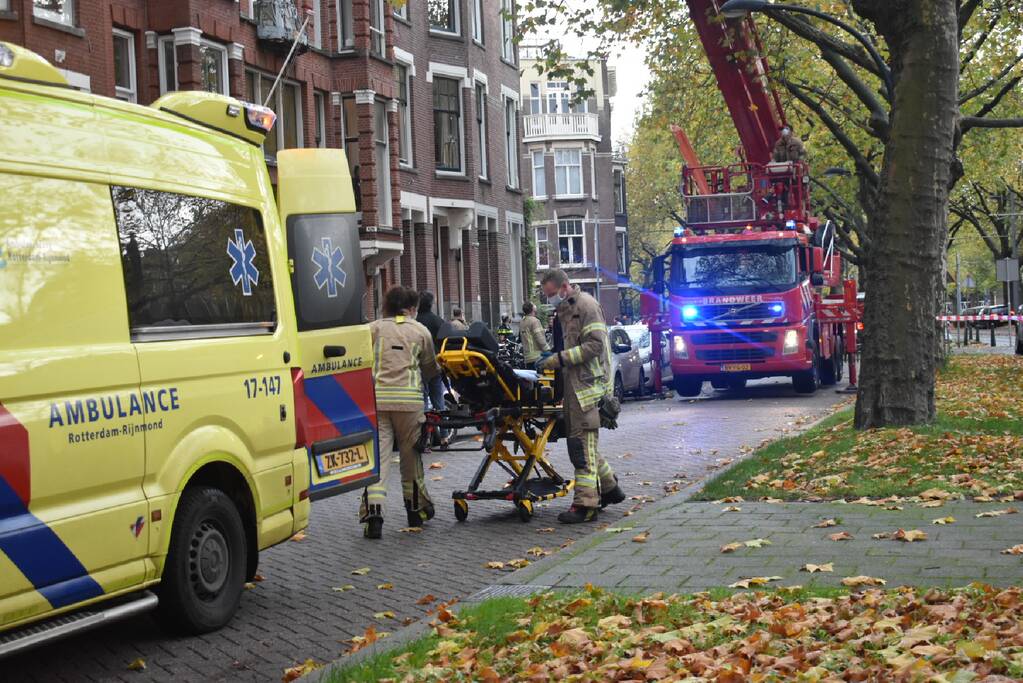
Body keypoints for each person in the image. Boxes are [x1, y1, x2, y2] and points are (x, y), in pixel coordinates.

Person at [536, 269, 626, 523]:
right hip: (576, 388)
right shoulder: (565, 311)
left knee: (580, 448)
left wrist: (558, 359)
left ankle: (585, 505)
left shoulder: (586, 306)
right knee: (587, 446)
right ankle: (609, 488)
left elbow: (595, 345)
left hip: (587, 389)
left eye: (552, 294)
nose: (549, 299)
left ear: (565, 287)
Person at [361, 286, 441, 538]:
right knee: (410, 459)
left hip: (378, 402)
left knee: (379, 461)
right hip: (409, 404)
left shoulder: (373, 329)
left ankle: (374, 515)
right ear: (411, 308)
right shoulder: (420, 331)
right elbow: (430, 369)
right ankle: (414, 512)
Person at [416, 291, 450, 448]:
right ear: (432, 304)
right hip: (436, 366)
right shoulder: (438, 321)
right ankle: (444, 437)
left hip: (420, 367)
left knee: (423, 402)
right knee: (438, 402)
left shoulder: (415, 323)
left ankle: (426, 437)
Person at [519, 302, 549, 366]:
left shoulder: (522, 322)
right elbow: (540, 338)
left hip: (527, 357)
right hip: (537, 357)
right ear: (532, 309)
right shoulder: (535, 321)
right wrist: (548, 350)